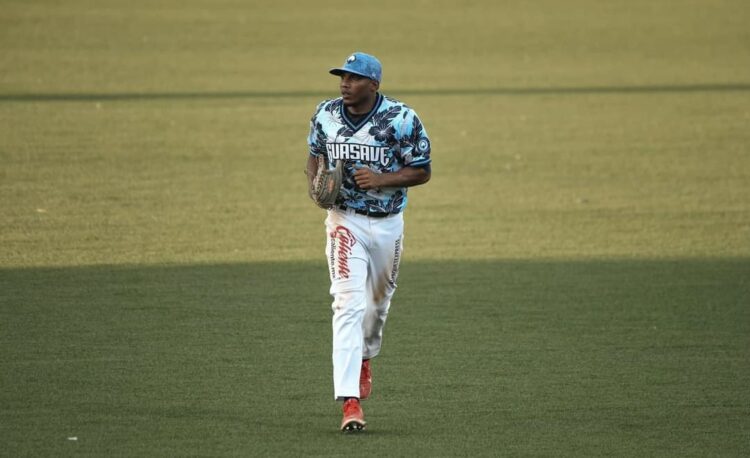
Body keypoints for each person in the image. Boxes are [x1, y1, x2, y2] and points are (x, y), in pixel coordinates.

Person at [306, 52, 432, 432]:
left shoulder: (401, 118)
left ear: (373, 84)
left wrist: (382, 180)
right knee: (346, 303)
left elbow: (423, 171)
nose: (345, 83)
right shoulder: (325, 115)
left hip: (387, 224)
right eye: (342, 77)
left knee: (377, 305)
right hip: (344, 222)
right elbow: (313, 157)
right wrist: (315, 189)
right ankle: (350, 402)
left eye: (354, 78)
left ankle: (365, 357)